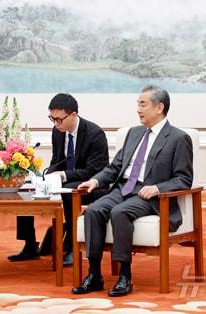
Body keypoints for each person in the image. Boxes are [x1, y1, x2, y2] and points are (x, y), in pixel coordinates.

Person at [72, 85, 193, 297]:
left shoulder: (178, 138)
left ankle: (125, 276)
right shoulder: (133, 133)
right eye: (138, 104)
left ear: (159, 107)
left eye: (143, 104)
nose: (138, 109)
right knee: (93, 210)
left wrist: (157, 188)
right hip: (123, 188)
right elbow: (115, 167)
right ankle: (94, 274)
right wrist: (95, 181)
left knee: (120, 213)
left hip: (149, 194)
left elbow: (184, 179)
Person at [8, 93, 109, 266]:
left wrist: (63, 175)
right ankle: (30, 244)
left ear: (73, 115)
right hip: (65, 181)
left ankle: (71, 247)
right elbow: (57, 161)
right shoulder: (58, 131)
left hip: (92, 185)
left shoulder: (95, 134)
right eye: (51, 119)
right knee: (28, 188)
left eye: (59, 119)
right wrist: (42, 178)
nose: (55, 124)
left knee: (70, 192)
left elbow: (94, 171)